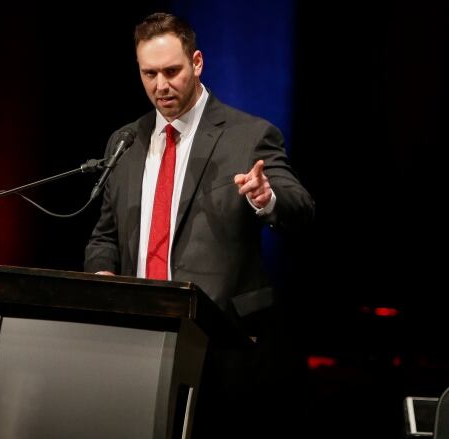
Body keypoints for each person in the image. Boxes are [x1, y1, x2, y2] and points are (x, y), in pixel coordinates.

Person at [84, 12, 315, 437]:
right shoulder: (125, 142)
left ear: (197, 62)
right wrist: (102, 276)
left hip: (219, 346)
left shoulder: (248, 135)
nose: (160, 85)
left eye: (172, 71)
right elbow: (105, 235)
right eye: (149, 73)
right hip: (136, 337)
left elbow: (300, 206)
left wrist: (267, 198)